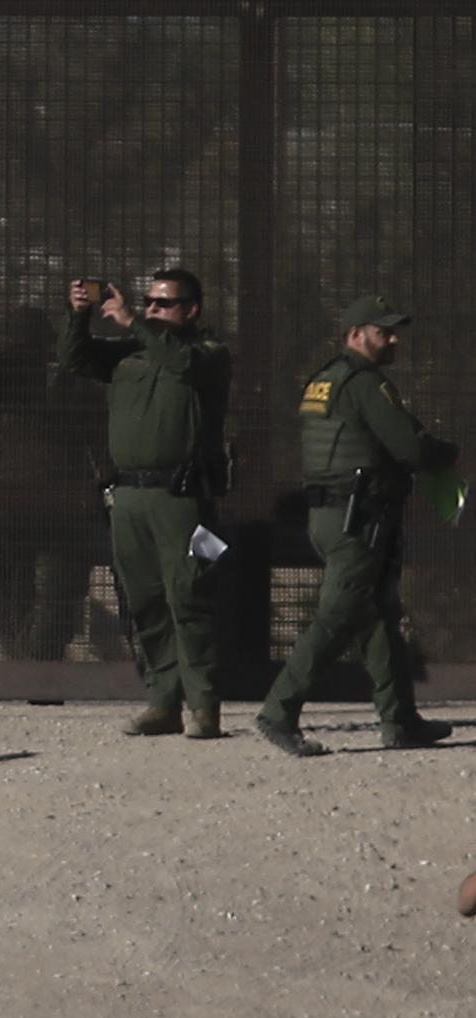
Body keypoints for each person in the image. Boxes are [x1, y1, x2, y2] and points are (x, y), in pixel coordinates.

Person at [259, 293, 457, 757]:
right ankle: (277, 710)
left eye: (393, 331)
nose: (392, 339)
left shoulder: (325, 380)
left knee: (378, 616)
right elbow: (410, 446)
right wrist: (452, 456)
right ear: (355, 335)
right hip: (358, 518)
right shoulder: (368, 384)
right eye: (382, 331)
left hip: (334, 515)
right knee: (338, 616)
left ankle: (401, 720)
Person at [58, 268, 236, 738]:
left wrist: (131, 320)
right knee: (145, 601)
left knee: (188, 596)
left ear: (191, 310)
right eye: (148, 302)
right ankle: (163, 700)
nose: (153, 310)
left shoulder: (208, 354)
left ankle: (203, 705)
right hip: (130, 496)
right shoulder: (132, 354)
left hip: (182, 499)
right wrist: (78, 316)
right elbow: (74, 359)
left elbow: (184, 365)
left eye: (164, 304)